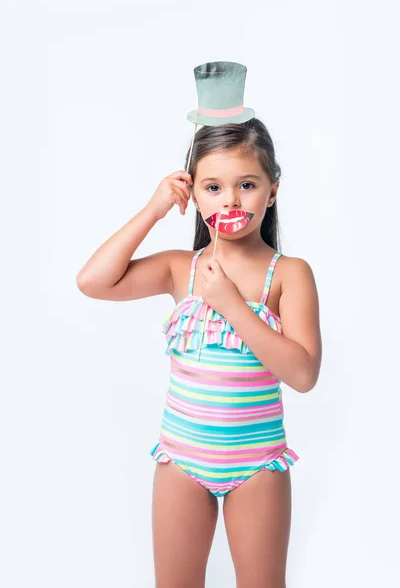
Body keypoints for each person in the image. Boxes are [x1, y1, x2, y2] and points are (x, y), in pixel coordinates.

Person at [76, 117, 322, 588]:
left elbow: (304, 373)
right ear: (194, 196)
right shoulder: (178, 269)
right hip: (181, 463)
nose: (230, 199)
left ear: (272, 191)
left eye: (246, 184)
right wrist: (153, 209)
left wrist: (231, 304)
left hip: (257, 466)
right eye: (212, 187)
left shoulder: (289, 274)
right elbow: (92, 282)